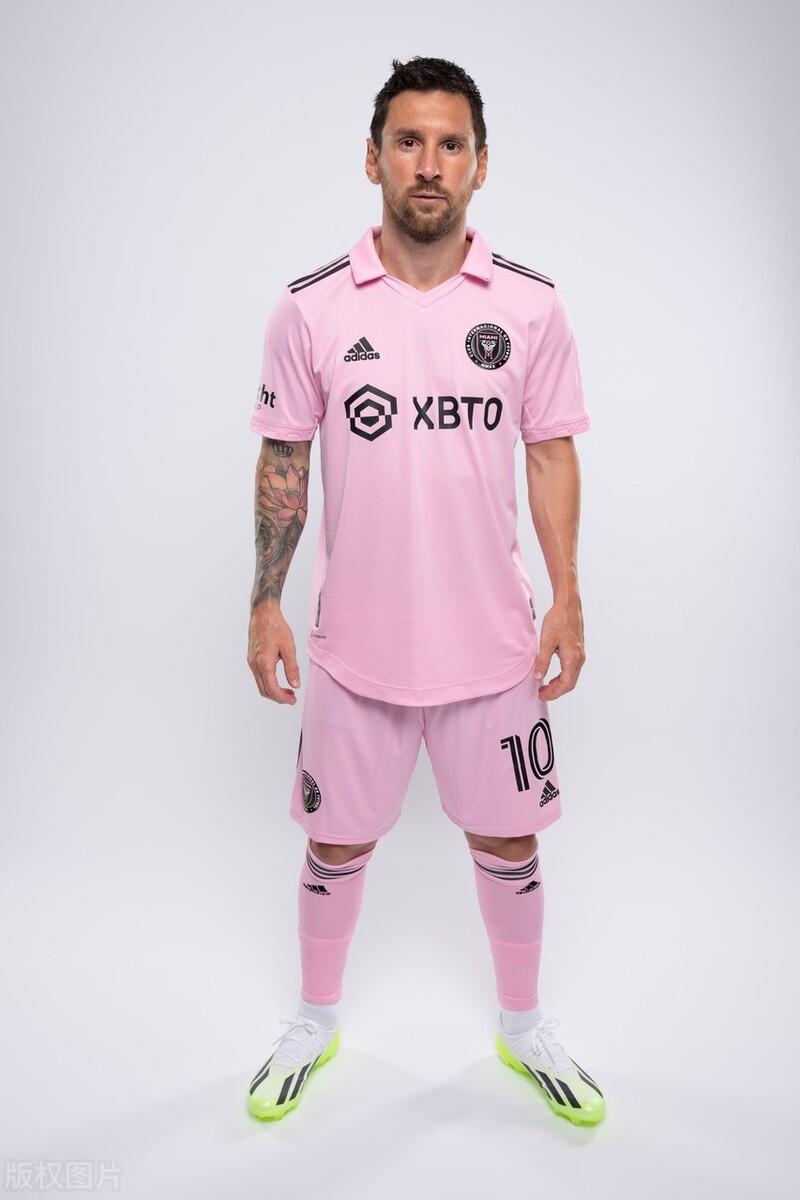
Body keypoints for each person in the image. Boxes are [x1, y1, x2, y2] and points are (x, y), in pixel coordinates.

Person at [245, 55, 604, 1127]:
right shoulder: (309, 308)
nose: (430, 163)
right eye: (409, 141)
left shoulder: (531, 306)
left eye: (451, 144)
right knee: (335, 844)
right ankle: (313, 1020)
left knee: (509, 843)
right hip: (355, 649)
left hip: (491, 649)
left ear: (481, 165)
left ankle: (523, 1028)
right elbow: (283, 460)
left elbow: (549, 451)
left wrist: (567, 595)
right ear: (373, 159)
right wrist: (263, 602)